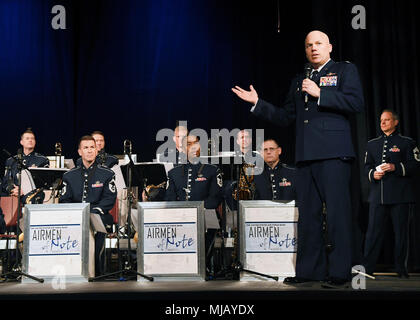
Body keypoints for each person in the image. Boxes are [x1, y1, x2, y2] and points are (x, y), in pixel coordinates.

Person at [232, 30, 364, 288]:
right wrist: (258, 103)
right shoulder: (298, 79)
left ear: (329, 47)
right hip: (305, 157)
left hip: (334, 154)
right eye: (308, 45)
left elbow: (356, 103)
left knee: (337, 216)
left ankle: (340, 272)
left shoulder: (344, 71)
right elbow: (285, 117)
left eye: (318, 44)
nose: (313, 48)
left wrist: (320, 94)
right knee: (307, 218)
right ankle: (309, 271)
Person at [363, 110, 420, 278]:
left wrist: (396, 167)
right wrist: (373, 173)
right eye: (381, 120)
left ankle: (401, 269)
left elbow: (415, 164)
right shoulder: (372, 144)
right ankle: (367, 268)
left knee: (401, 234)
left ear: (395, 122)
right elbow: (367, 166)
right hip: (377, 196)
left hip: (400, 196)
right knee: (372, 233)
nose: (383, 123)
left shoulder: (407, 142)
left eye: (387, 120)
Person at [59, 135, 117, 276]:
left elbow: (109, 198)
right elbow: (64, 200)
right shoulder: (69, 175)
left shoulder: (107, 173)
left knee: (96, 225)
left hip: (99, 216)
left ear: (97, 150)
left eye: (92, 147)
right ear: (80, 152)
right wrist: (77, 214)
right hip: (76, 217)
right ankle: (72, 271)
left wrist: (93, 212)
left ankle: (98, 271)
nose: (90, 151)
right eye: (86, 148)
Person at [2, 128, 49, 196]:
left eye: (32, 138)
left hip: (34, 197)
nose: (30, 140)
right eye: (27, 138)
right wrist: (13, 189)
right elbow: (6, 181)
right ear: (21, 142)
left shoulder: (43, 160)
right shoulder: (11, 160)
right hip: (14, 196)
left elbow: (45, 182)